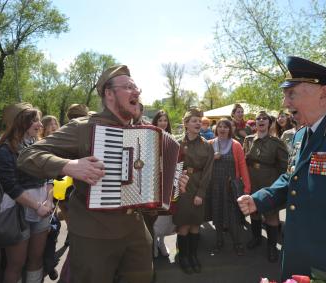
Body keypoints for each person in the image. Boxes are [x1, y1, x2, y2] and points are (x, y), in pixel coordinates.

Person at [16, 65, 188, 283]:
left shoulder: (145, 132)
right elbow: (28, 156)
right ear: (109, 93)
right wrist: (68, 165)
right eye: (128, 87)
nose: (136, 92)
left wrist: (173, 184)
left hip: (136, 230)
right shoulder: (84, 127)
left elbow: (152, 184)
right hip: (93, 233)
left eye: (137, 87)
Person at [238, 56, 326, 282]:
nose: (285, 103)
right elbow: (292, 178)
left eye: (291, 94)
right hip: (297, 260)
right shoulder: (300, 134)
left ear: (323, 94)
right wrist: (260, 199)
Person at [0, 103, 54, 283]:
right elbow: (11, 187)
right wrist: (37, 206)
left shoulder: (40, 145)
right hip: (16, 210)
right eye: (35, 120)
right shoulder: (5, 149)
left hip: (43, 207)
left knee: (36, 258)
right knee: (16, 263)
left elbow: (49, 176)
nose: (40, 125)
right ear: (22, 122)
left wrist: (49, 201)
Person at [243, 111, 288, 262]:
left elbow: (284, 167)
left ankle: (272, 246)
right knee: (254, 212)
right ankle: (256, 238)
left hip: (269, 182)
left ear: (269, 123)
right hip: (252, 181)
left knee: (271, 216)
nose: (261, 121)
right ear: (255, 123)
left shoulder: (277, 143)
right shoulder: (248, 140)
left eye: (264, 119)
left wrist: (279, 188)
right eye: (258, 119)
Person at [173, 107, 214, 274]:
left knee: (195, 225)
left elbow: (208, 171)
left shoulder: (207, 146)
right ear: (186, 124)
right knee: (183, 225)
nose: (198, 123)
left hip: (198, 186)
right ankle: (183, 256)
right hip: (181, 187)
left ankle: (193, 255)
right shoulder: (177, 143)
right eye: (194, 120)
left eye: (200, 120)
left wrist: (201, 193)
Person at [208, 118, 251, 256]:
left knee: (234, 216)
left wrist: (247, 188)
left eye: (225, 126)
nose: (222, 129)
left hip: (231, 186)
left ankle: (237, 243)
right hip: (215, 187)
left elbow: (243, 166)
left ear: (229, 129)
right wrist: (211, 158)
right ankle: (219, 241)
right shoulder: (209, 144)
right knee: (217, 213)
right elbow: (204, 165)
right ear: (216, 129)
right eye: (219, 126)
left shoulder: (236, 145)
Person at [151, 110, 174, 258]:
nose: (163, 123)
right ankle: (153, 243)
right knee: (154, 213)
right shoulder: (151, 137)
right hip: (153, 180)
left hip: (167, 180)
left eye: (165, 120)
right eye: (160, 120)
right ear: (155, 122)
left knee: (166, 213)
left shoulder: (171, 138)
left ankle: (161, 241)